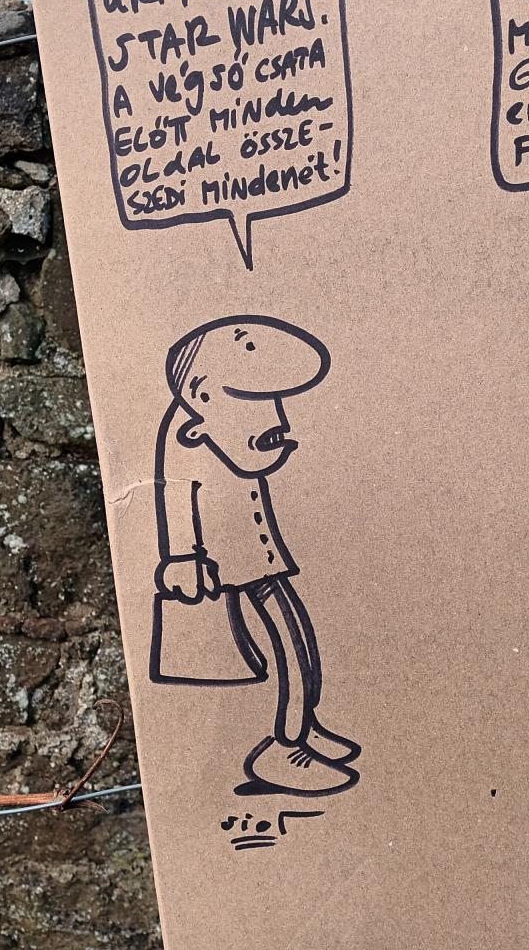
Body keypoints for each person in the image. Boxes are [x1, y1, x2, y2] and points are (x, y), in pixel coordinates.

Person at [152, 315, 361, 796]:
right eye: (252, 399)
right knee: (284, 646)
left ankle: (304, 726)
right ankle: (283, 746)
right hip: (227, 568)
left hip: (258, 557)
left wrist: (274, 445)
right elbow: (174, 496)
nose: (276, 418)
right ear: (203, 395)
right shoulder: (184, 434)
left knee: (299, 639)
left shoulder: (212, 422)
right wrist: (182, 557)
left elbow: (254, 457)